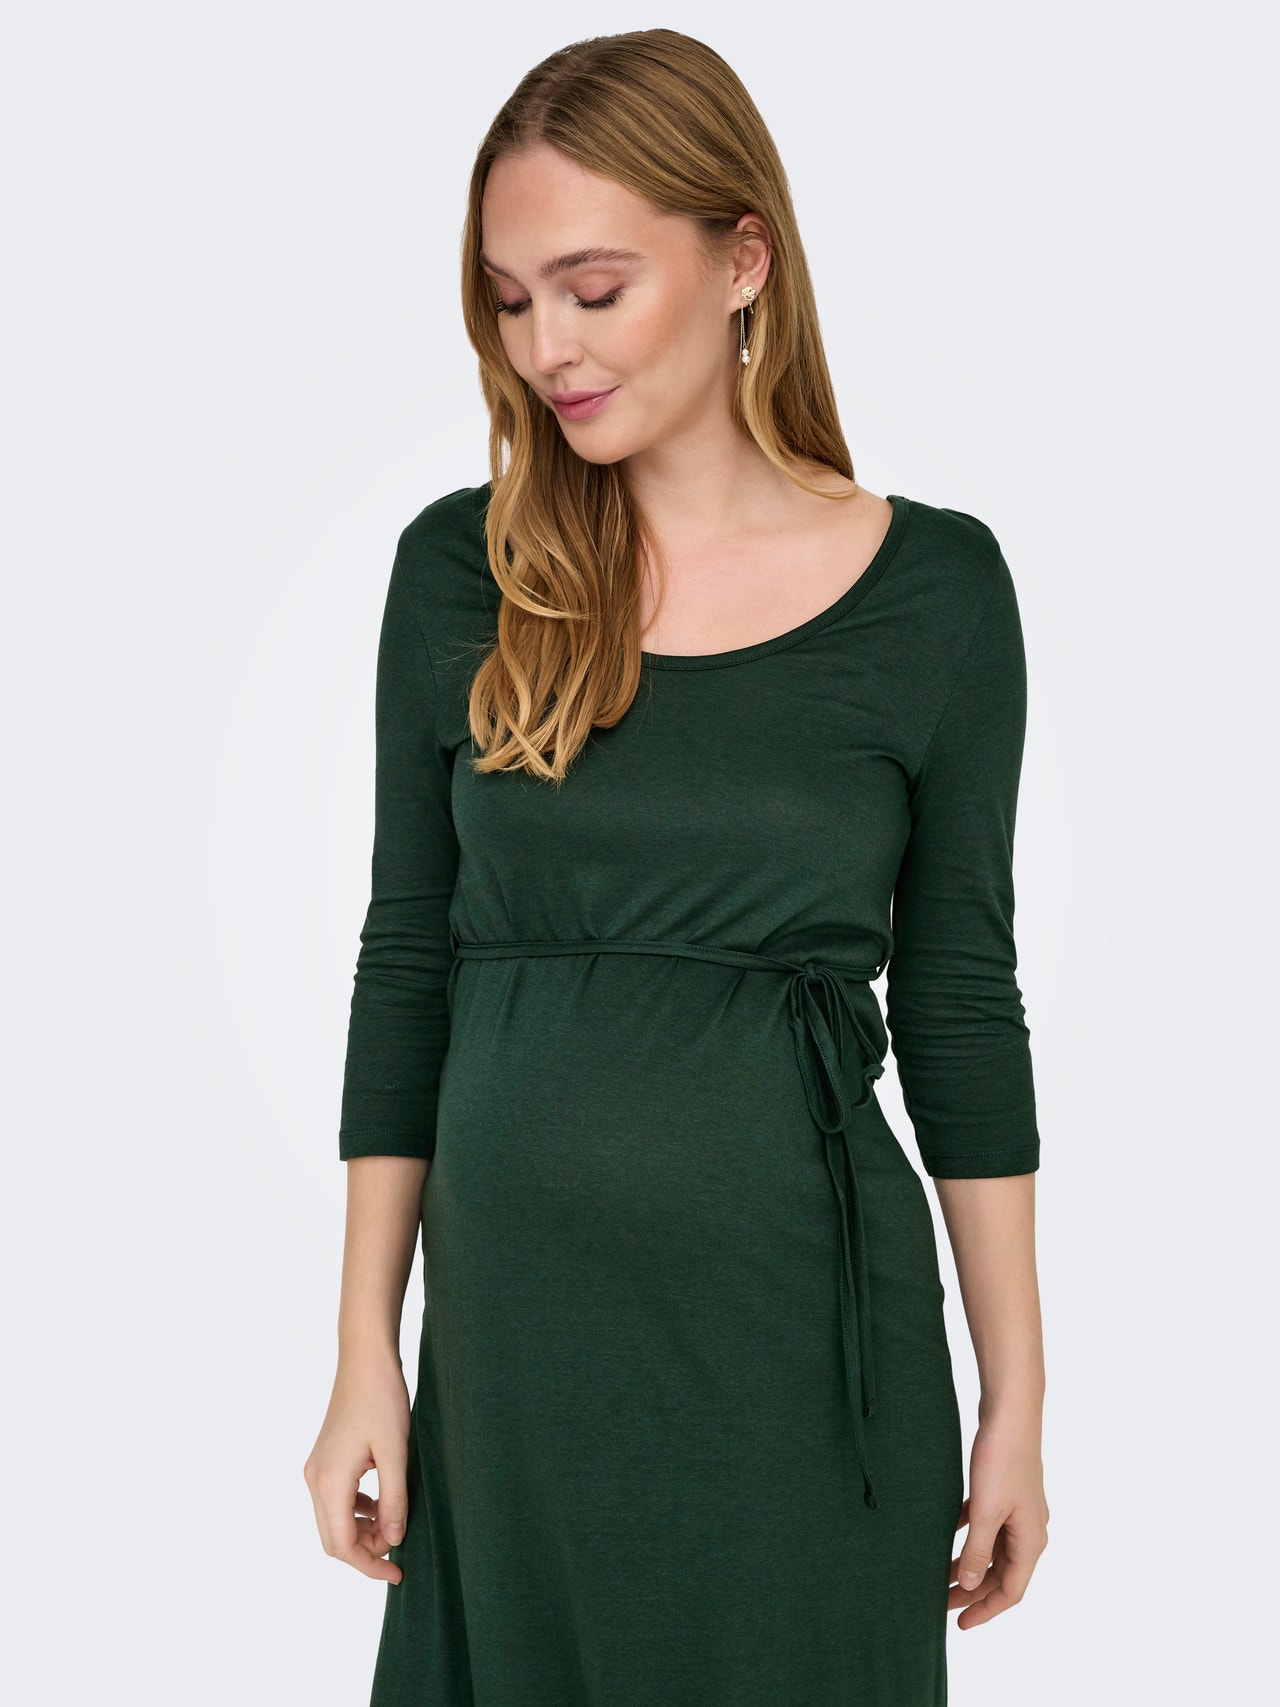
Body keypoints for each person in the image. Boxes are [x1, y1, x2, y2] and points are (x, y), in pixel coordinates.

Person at [304, 27, 1049, 1707]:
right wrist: (365, 1348)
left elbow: (961, 1003)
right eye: (510, 300)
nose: (545, 348)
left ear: (743, 261)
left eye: (592, 288)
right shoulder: (464, 571)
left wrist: (1017, 1396)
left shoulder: (936, 592)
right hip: (510, 1362)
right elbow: (406, 958)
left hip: (807, 1358)